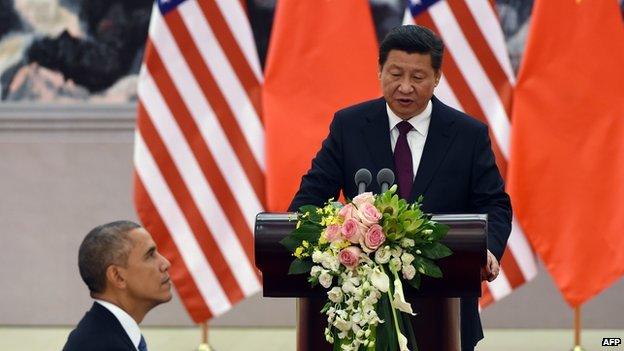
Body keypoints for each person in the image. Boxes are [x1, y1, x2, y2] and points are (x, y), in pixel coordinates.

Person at [289, 25, 511, 351]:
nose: (405, 87)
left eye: (418, 78)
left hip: (445, 306)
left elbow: (494, 204)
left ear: (436, 78)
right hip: (363, 305)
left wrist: (487, 248)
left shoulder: (467, 134)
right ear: (379, 70)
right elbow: (308, 202)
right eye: (395, 74)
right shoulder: (349, 126)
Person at [63, 220, 172, 351]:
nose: (166, 263)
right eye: (150, 255)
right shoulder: (100, 345)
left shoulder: (104, 336)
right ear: (118, 276)